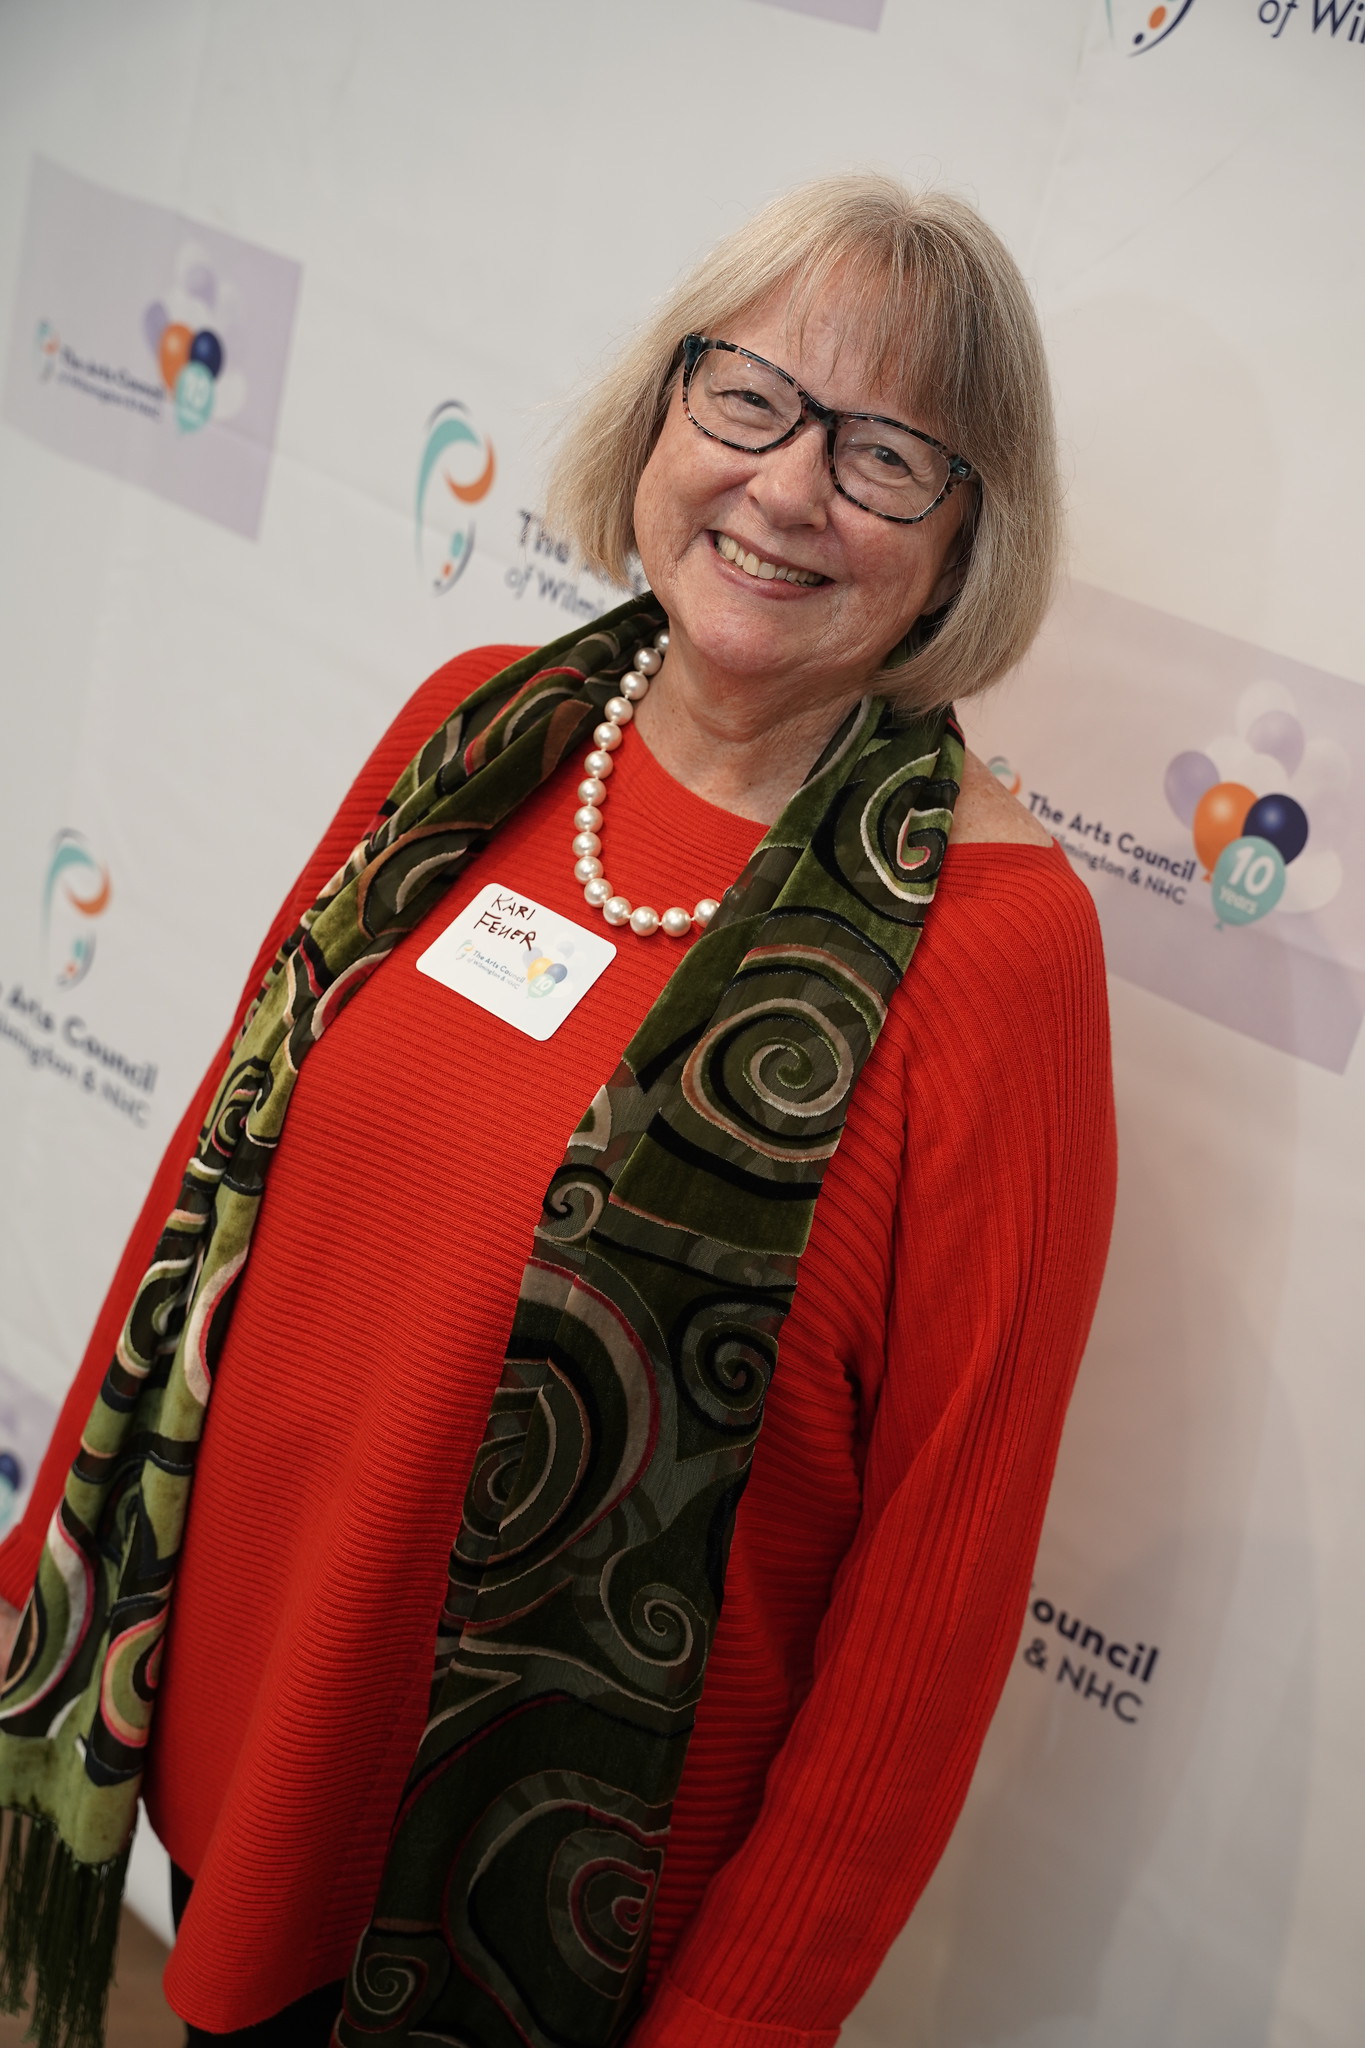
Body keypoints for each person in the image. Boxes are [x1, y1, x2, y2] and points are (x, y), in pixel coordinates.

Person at [0, 174, 1115, 2048]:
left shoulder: (997, 951)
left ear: (960, 542)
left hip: (529, 1925)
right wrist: (44, 1592)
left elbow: (932, 1597)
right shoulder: (478, 728)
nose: (783, 487)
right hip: (230, 1736)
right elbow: (213, 1180)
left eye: (881, 455)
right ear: (663, 408)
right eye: (747, 397)